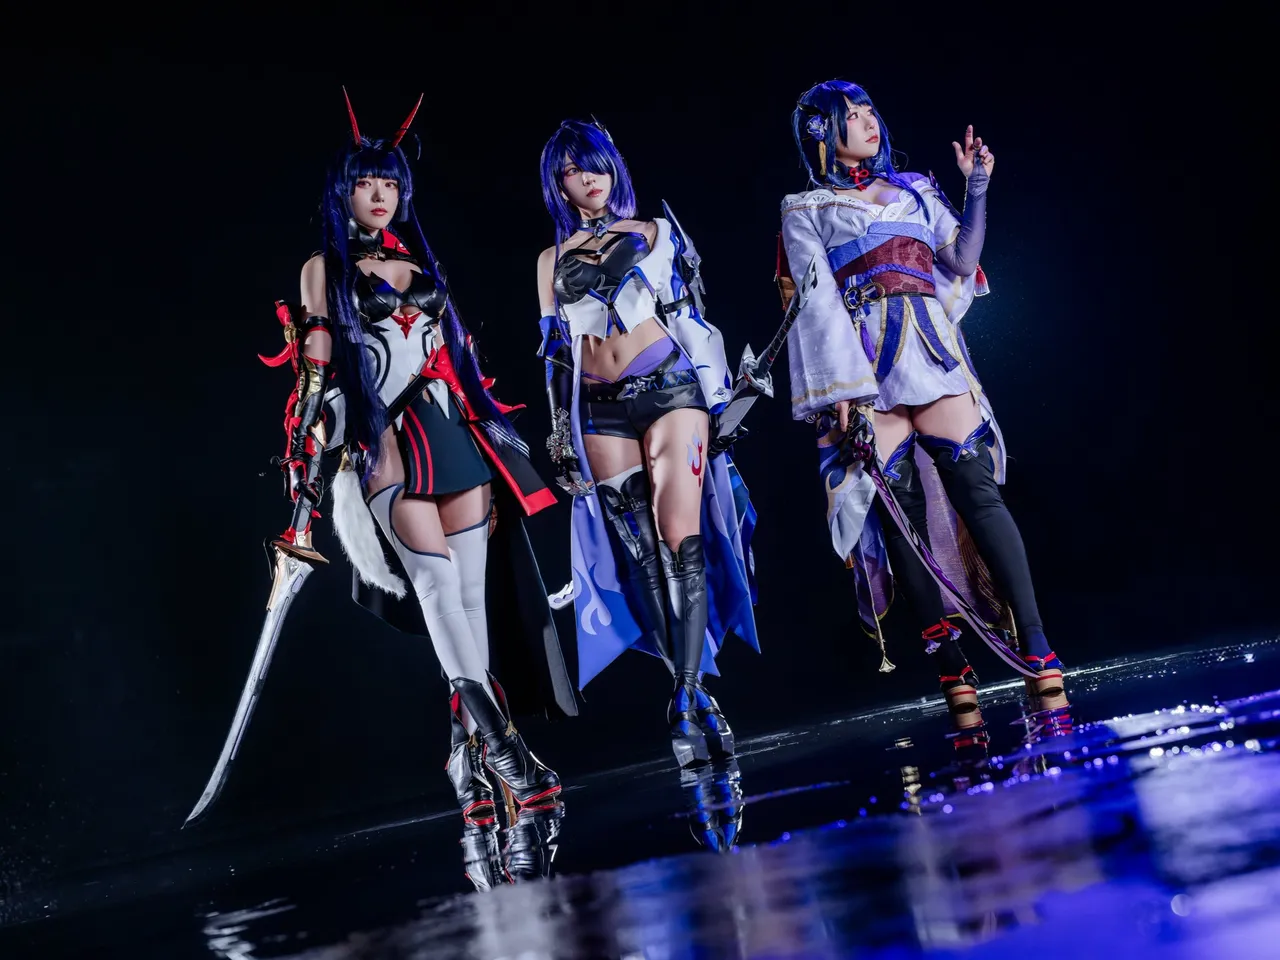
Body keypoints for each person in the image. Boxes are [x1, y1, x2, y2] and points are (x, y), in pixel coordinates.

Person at [265, 89, 575, 827]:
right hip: (385, 442)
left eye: (392, 182)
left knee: (470, 600)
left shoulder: (418, 259)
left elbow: (457, 358)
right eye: (368, 182)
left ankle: (468, 762)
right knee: (436, 591)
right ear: (344, 191)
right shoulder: (323, 270)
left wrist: (495, 436)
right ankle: (508, 754)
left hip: (452, 435)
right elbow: (314, 372)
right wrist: (305, 471)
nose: (382, 193)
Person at [778, 79, 1069, 743]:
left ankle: (1038, 651)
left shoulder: (914, 189)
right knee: (902, 524)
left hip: (932, 352)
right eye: (850, 115)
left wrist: (976, 188)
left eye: (869, 110)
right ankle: (952, 670)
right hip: (865, 367)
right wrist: (844, 396)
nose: (867, 121)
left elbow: (962, 259)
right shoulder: (804, 209)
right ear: (821, 134)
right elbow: (816, 306)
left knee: (980, 495)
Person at [534, 119, 759, 768]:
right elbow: (555, 352)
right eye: (574, 169)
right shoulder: (550, 259)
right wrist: (559, 431)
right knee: (640, 558)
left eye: (597, 164)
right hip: (598, 408)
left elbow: (690, 318)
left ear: (614, 168)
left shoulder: (655, 231)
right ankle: (691, 693)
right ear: (558, 184)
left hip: (670, 389)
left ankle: (685, 697)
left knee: (681, 543)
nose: (589, 178)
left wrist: (723, 399)